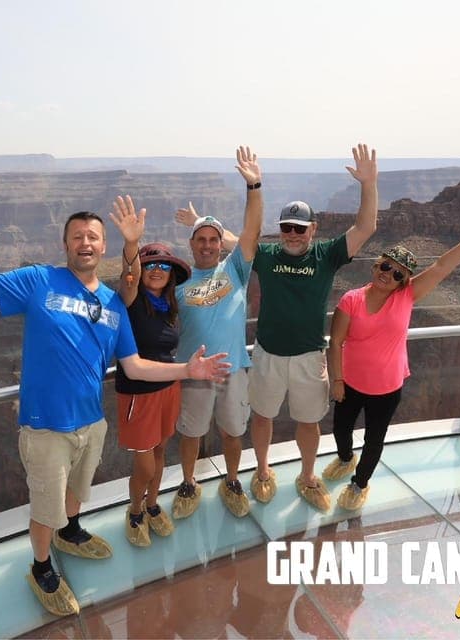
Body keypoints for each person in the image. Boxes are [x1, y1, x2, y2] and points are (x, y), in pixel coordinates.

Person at [0, 193, 230, 617]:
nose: (85, 243)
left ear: (103, 246)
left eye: (93, 236)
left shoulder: (113, 305)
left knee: (74, 497)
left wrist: (188, 370)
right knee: (45, 509)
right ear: (66, 244)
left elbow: (135, 365)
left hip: (92, 425)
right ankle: (40, 568)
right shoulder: (38, 281)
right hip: (45, 427)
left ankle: (70, 533)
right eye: (77, 236)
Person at [175, 144, 378, 511]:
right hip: (267, 353)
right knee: (263, 416)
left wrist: (369, 184)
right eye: (286, 227)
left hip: (308, 354)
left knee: (308, 421)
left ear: (313, 229)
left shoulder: (326, 254)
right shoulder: (267, 256)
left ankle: (307, 476)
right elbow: (241, 240)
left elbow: (365, 227)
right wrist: (201, 222)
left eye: (300, 228)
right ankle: (264, 470)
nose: (293, 234)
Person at [324, 205, 460, 510]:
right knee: (340, 430)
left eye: (397, 273)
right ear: (375, 266)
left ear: (403, 280)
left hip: (387, 388)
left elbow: (441, 267)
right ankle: (344, 458)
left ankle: (359, 484)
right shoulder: (351, 299)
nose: (388, 274)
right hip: (350, 384)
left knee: (374, 441)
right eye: (385, 266)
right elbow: (336, 342)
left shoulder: (406, 297)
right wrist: (336, 381)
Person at [171, 145, 263, 520]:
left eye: (213, 239)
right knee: (191, 433)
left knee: (232, 431)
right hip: (193, 371)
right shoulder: (176, 280)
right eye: (200, 239)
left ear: (219, 243)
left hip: (233, 368)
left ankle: (231, 480)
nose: (207, 245)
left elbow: (252, 230)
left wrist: (254, 186)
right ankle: (189, 482)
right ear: (191, 244)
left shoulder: (235, 270)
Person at [110, 195, 192, 547]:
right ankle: (134, 511)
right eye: (151, 264)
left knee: (161, 452)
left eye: (164, 265)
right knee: (143, 464)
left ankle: (153, 505)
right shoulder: (132, 300)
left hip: (167, 389)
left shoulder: (169, 307)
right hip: (137, 394)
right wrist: (132, 243)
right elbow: (129, 278)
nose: (157, 270)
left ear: (172, 273)